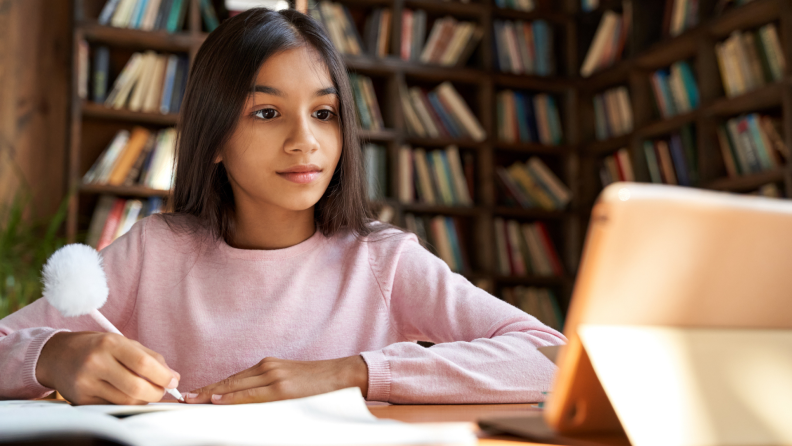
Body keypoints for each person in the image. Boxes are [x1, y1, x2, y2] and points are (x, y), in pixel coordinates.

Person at [0, 7, 565, 405]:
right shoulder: (155, 249)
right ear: (215, 138)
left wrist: (354, 372)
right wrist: (53, 356)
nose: (306, 141)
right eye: (266, 113)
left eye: (324, 113)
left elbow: (549, 357)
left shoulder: (380, 259)